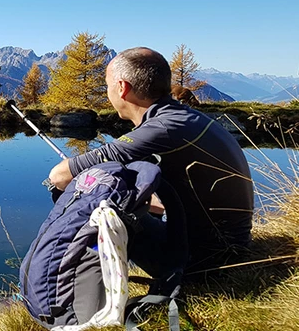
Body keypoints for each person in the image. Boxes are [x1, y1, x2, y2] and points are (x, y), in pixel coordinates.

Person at [47, 47, 253, 279]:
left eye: (107, 85)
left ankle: (76, 283)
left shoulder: (160, 130)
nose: (107, 92)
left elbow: (60, 176)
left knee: (78, 193)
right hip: (230, 248)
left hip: (202, 262)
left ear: (122, 88)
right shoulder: (183, 118)